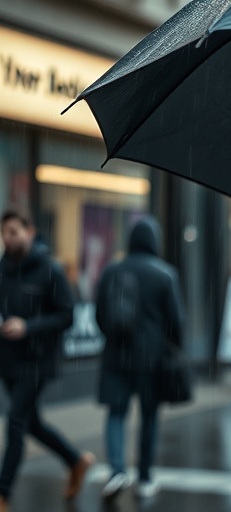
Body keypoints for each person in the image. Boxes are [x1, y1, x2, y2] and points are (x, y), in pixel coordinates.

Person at [0, 211, 94, 511]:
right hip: (9, 360)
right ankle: (76, 460)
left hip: (38, 360)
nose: (8, 238)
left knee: (15, 422)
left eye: (14, 231)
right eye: (4, 233)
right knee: (31, 423)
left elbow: (67, 315)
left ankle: (3, 492)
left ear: (30, 231)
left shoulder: (50, 270)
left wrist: (29, 327)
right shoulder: (3, 269)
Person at [94, 216, 185, 499]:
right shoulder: (164, 274)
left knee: (116, 413)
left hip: (116, 355)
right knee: (148, 417)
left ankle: (117, 471)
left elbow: (99, 313)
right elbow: (176, 321)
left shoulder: (112, 271)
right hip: (151, 358)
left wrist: (113, 337)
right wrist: (171, 348)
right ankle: (144, 478)